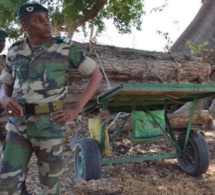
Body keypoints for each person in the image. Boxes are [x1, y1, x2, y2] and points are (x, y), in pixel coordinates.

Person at [0, 2, 103, 195]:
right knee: (6, 184)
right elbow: (5, 81)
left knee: (49, 187)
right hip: (18, 126)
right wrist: (4, 98)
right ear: (26, 26)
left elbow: (95, 74)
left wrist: (76, 109)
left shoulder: (64, 49)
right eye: (39, 20)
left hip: (49, 125)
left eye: (47, 19)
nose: (47, 24)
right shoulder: (15, 51)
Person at [0, 28, 8, 144]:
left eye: (3, 41)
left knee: (8, 143)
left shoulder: (6, 61)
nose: (2, 44)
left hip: (4, 112)